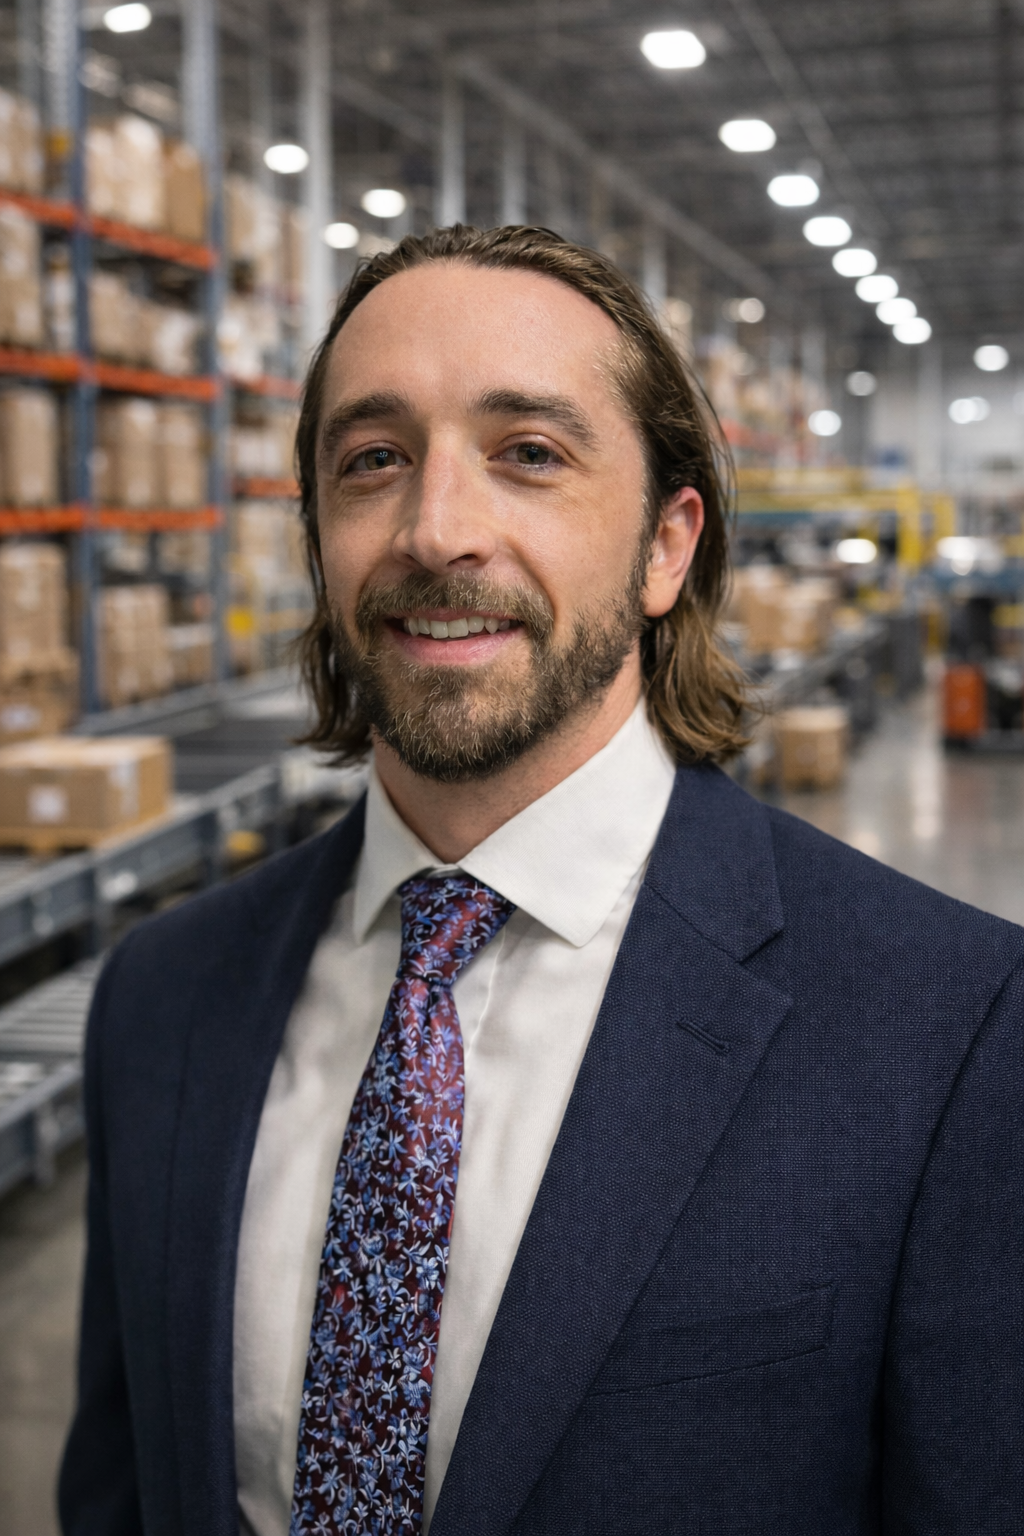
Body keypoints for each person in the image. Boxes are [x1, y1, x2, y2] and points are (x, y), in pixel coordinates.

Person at [60, 225, 1024, 1536]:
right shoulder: (162, 1002)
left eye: (529, 454)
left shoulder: (943, 1032)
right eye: (374, 459)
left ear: (665, 547)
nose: (437, 529)